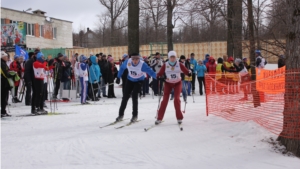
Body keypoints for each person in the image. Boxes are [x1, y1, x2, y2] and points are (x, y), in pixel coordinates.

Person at [115, 53, 156, 122]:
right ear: (131, 59)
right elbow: (121, 68)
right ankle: (120, 115)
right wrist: (118, 77)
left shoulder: (142, 64)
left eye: (137, 59)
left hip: (139, 81)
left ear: (139, 59)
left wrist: (159, 77)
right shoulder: (128, 62)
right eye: (133, 59)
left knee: (134, 96)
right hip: (130, 80)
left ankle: (134, 115)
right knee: (125, 97)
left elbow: (151, 72)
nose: (135, 61)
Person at [155, 51, 191, 125]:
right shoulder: (165, 65)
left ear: (175, 57)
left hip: (177, 83)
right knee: (165, 100)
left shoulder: (179, 64)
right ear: (169, 58)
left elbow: (186, 71)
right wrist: (158, 76)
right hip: (168, 83)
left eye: (174, 57)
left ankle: (179, 117)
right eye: (171, 57)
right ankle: (159, 118)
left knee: (176, 99)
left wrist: (189, 73)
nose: (172, 59)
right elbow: (160, 73)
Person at [1, 51, 14, 117]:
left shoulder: (4, 63)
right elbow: (5, 73)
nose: (7, 57)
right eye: (6, 56)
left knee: (5, 97)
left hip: (4, 82)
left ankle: (3, 110)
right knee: (3, 97)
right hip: (3, 82)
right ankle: (3, 111)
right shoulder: (2, 64)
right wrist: (11, 74)